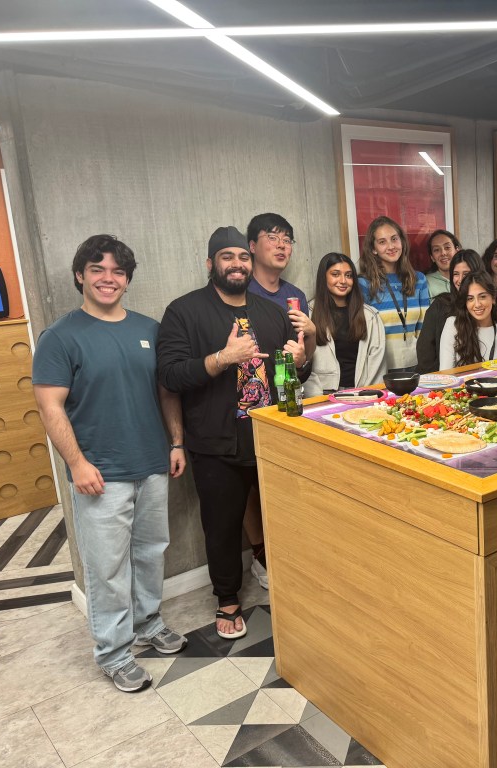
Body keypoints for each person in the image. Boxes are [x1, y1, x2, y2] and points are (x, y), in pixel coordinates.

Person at [33, 234, 188, 693]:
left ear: (127, 280)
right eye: (97, 269)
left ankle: (148, 623)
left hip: (153, 463)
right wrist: (77, 463)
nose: (108, 278)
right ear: (80, 275)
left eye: (117, 271)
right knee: (107, 568)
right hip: (99, 474)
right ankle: (114, 652)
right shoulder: (60, 337)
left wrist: (177, 442)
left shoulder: (148, 328)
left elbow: (166, 391)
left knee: (151, 552)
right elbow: (50, 407)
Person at [157, 226, 307, 641]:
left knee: (283, 514)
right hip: (216, 440)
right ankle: (227, 599)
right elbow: (169, 375)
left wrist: (300, 355)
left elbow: (290, 375)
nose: (237, 264)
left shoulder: (270, 312)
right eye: (227, 257)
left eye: (242, 256)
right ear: (211, 264)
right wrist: (223, 357)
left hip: (271, 434)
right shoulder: (183, 312)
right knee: (221, 525)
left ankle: (289, 579)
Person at [243, 212, 312, 590]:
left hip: (287, 398)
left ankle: (288, 548)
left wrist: (310, 338)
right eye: (273, 236)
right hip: (248, 401)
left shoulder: (295, 295)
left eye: (287, 238)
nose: (282, 244)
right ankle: (260, 555)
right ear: (252, 246)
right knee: (250, 482)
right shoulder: (240, 289)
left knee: (283, 475)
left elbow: (305, 356)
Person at [305, 252, 387, 395]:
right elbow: (305, 362)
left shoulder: (370, 316)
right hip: (321, 395)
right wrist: (316, 397)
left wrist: (365, 395)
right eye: (335, 274)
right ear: (323, 277)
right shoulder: (309, 314)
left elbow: (377, 364)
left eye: (348, 275)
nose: (343, 281)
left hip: (362, 393)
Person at [358, 216, 430, 371]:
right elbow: (364, 332)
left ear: (402, 242)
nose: (391, 246)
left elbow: (424, 326)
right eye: (382, 242)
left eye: (394, 239)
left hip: (417, 365)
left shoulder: (419, 280)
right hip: (380, 367)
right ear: (373, 249)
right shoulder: (364, 283)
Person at [416, 250, 484, 373]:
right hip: (443, 381)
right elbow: (425, 354)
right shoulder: (440, 305)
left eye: (466, 274)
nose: (460, 280)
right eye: (456, 274)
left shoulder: (486, 307)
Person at [438, 270, 497, 370]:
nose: (477, 304)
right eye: (470, 299)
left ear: (493, 298)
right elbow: (446, 373)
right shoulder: (453, 324)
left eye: (482, 297)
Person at [424, 229, 462, 299]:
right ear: (432, 257)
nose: (443, 253)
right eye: (436, 250)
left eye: (447, 247)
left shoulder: (469, 278)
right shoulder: (425, 283)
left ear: (457, 251)